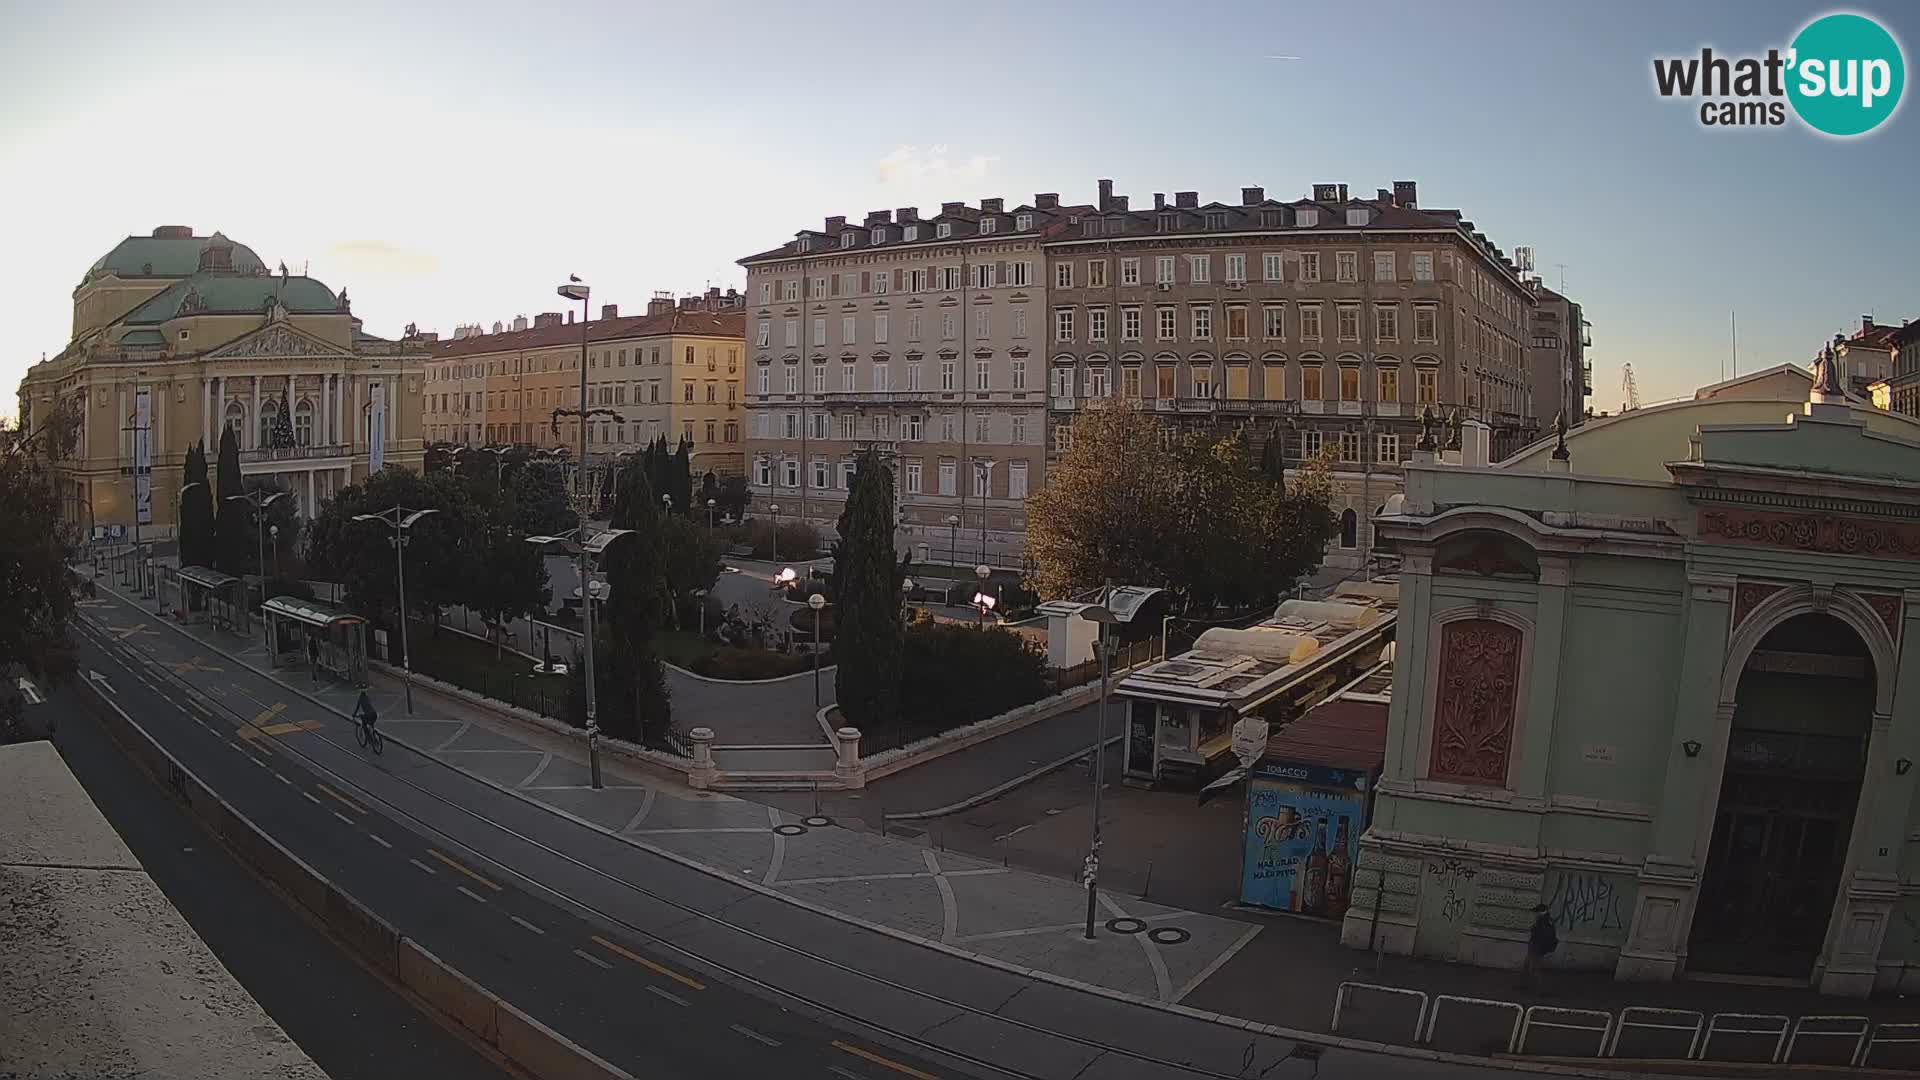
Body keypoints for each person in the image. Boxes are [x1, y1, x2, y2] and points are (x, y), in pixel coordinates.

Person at [1525, 903, 1559, 993]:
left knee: (1535, 968)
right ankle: (1531, 986)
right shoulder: (1546, 920)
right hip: (1537, 947)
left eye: (1536, 912)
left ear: (1541, 912)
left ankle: (1540, 989)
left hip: (1537, 947)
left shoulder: (1543, 921)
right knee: (1531, 966)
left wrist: (1533, 931)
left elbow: (1539, 935)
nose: (1534, 914)